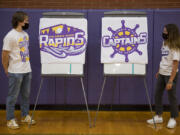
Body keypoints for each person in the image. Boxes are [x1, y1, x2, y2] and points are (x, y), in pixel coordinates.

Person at [2, 11, 35, 129]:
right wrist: (6, 68)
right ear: (19, 21)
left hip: (27, 70)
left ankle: (24, 115)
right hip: (15, 71)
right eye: (26, 20)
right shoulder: (10, 36)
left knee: (26, 95)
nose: (27, 22)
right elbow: (5, 54)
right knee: (13, 96)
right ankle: (10, 119)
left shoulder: (26, 35)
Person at [147, 24, 180, 129]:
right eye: (163, 31)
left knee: (172, 97)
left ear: (171, 33)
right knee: (157, 94)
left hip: (170, 75)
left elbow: (175, 64)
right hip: (162, 73)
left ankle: (173, 118)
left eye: (165, 31)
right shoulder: (164, 43)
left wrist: (170, 80)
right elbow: (164, 59)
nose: (164, 33)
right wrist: (159, 70)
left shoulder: (175, 46)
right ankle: (158, 116)